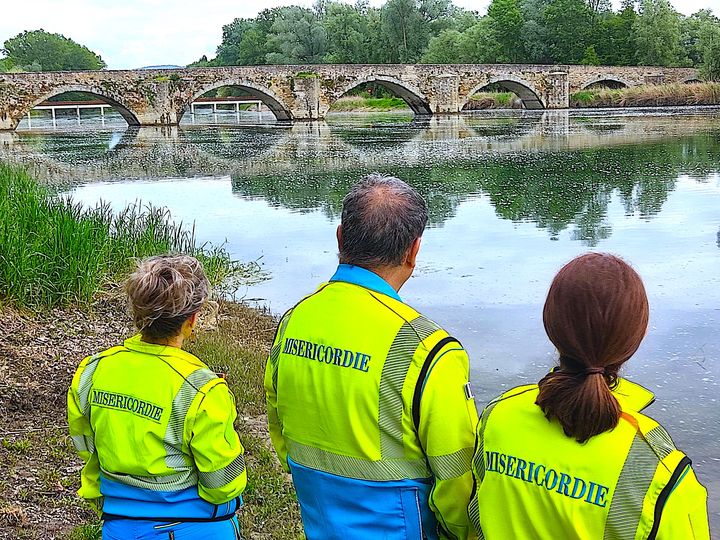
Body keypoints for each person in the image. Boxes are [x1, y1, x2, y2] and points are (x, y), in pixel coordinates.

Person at [264, 174, 479, 540]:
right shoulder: (428, 349)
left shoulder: (294, 319)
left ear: (340, 238)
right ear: (413, 251)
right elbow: (456, 475)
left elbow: (278, 421)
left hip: (319, 520)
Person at [468, 253, 710, 539]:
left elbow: (475, 514)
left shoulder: (499, 416)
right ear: (638, 336)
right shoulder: (658, 466)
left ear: (551, 326)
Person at [68, 255, 246, 539]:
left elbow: (87, 447)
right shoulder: (203, 388)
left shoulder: (92, 371)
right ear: (192, 319)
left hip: (119, 525)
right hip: (195, 528)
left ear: (137, 312)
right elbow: (223, 484)